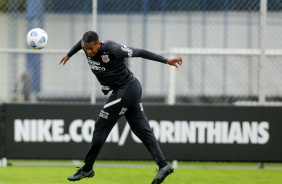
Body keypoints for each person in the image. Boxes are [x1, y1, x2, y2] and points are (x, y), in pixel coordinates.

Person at [59, 31, 182, 184]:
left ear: (98, 44)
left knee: (100, 127)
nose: (88, 52)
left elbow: (140, 52)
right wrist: (69, 54)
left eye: (91, 49)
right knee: (142, 131)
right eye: (86, 49)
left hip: (126, 89)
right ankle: (163, 166)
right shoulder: (85, 46)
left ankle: (87, 169)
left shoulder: (113, 49)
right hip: (128, 90)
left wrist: (166, 60)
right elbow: (80, 44)